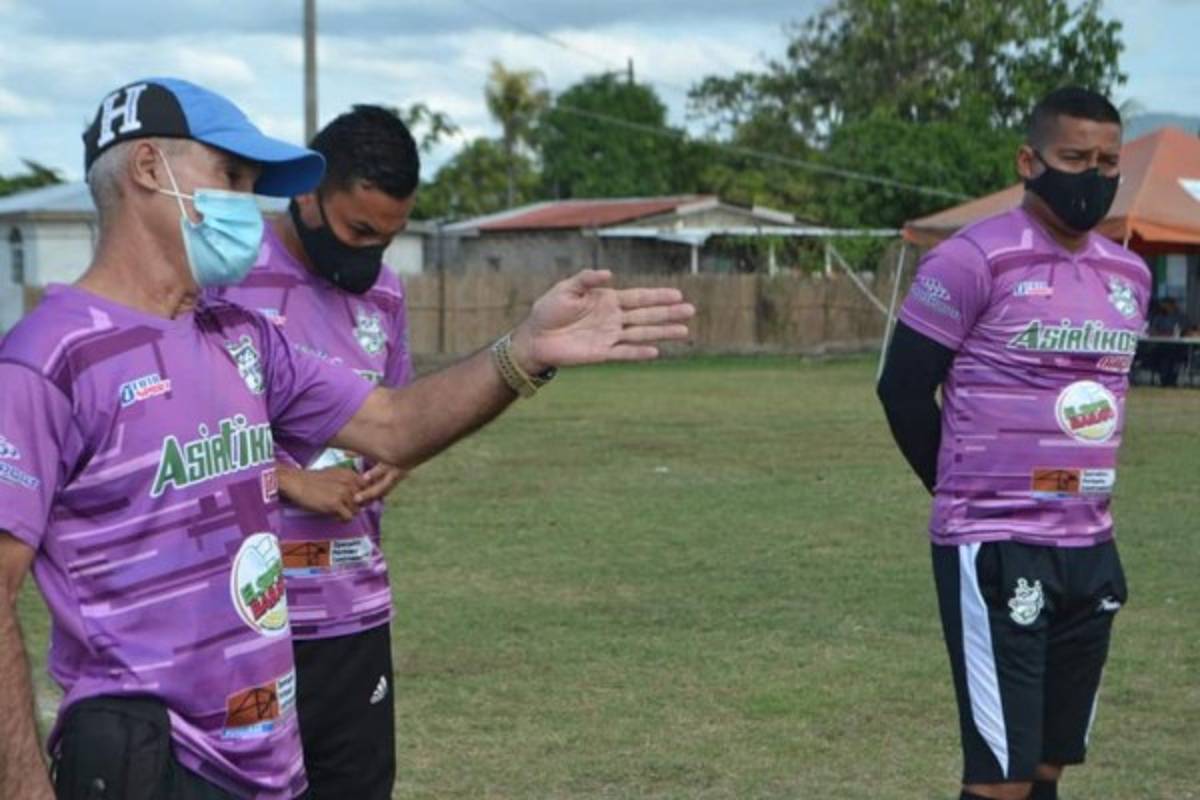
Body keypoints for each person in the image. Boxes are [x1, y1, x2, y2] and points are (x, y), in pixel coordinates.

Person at [0, 77, 693, 800]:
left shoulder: (238, 336)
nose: (247, 204)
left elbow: (393, 424)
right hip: (151, 765)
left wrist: (524, 350)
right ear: (148, 168)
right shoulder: (47, 360)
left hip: (270, 766)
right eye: (231, 176)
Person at [877, 87, 1148, 800]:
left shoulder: (1130, 275)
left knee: (1048, 766)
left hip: (1090, 545)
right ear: (1030, 162)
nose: (1092, 175)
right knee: (1001, 778)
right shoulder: (972, 259)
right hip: (997, 543)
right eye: (1074, 158)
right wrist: (963, 491)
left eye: (1107, 162)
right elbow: (902, 389)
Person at [211, 105, 418, 798]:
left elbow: (396, 413)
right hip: (246, 617)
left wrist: (398, 458)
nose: (371, 254)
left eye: (388, 237)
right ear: (307, 195)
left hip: (353, 610)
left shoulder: (386, 294)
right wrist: (289, 480)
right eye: (359, 231)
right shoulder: (227, 278)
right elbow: (178, 434)